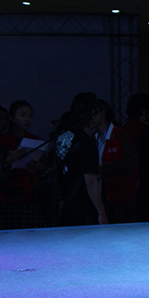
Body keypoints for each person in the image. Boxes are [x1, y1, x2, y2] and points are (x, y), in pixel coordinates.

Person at [55, 93, 108, 226]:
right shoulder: (86, 143)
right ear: (92, 113)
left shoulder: (63, 137)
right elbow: (90, 181)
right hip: (82, 208)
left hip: (62, 203)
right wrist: (101, 212)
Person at [0, 100, 48, 229]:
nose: (27, 119)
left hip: (31, 196)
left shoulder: (35, 140)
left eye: (30, 115)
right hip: (8, 199)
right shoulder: (3, 141)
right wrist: (8, 161)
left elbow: (46, 168)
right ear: (12, 118)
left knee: (33, 234)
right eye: (22, 115)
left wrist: (40, 167)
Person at [91, 100, 139, 224]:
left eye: (93, 114)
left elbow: (131, 163)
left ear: (102, 113)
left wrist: (101, 170)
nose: (90, 117)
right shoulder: (93, 138)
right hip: (101, 195)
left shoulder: (120, 135)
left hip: (120, 197)